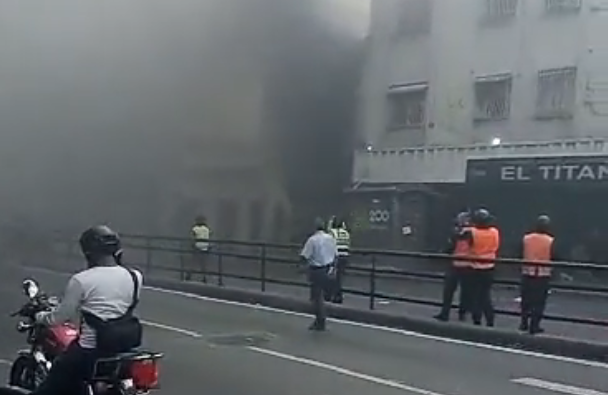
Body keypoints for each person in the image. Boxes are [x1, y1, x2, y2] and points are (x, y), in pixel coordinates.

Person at [31, 225, 143, 395]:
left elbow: (60, 318)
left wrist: (40, 316)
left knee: (51, 386)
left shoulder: (82, 280)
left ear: (87, 251)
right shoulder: (135, 276)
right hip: (124, 349)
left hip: (89, 351)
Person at [518, 215, 557, 335]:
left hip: (527, 272)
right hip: (542, 274)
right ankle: (534, 325)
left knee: (526, 299)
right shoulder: (550, 240)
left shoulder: (526, 238)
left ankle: (524, 322)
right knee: (539, 302)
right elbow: (554, 256)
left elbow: (520, 252)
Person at [463, 209, 500, 327]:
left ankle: (477, 319)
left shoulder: (472, 232)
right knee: (485, 294)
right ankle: (490, 318)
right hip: (489, 267)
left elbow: (462, 238)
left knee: (475, 296)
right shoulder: (494, 231)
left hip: (474, 267)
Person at [300, 218, 338, 331]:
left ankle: (320, 321)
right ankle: (322, 319)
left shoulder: (312, 240)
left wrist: (302, 268)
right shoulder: (331, 238)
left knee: (316, 297)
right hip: (328, 268)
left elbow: (305, 256)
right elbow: (336, 255)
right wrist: (333, 268)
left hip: (317, 270)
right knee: (324, 295)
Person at [434, 211, 472, 322]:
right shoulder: (471, 232)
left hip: (458, 264)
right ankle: (460, 314)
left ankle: (447, 313)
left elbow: (450, 246)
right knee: (462, 292)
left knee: (450, 291)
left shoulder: (461, 233)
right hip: (465, 264)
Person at [326, 216, 350, 304]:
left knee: (331, 277)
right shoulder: (346, 233)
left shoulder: (332, 232)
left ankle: (331, 295)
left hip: (335, 256)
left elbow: (327, 240)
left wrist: (329, 225)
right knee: (339, 277)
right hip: (344, 256)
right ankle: (338, 295)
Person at [187, 215, 211, 282]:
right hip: (205, 248)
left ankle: (188, 276)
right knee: (203, 264)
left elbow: (192, 237)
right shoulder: (207, 229)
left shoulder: (195, 228)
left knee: (193, 263)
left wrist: (191, 245)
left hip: (197, 247)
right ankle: (204, 277)